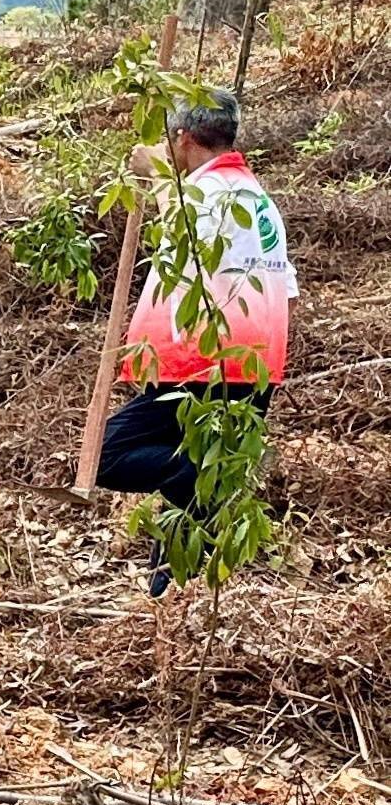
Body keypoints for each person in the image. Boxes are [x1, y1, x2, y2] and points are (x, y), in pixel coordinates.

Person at [97, 100, 295, 579]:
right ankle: (170, 595)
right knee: (193, 497)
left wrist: (159, 175)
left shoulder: (210, 192)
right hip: (254, 362)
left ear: (183, 137)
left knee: (108, 456)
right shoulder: (257, 198)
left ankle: (207, 478)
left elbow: (186, 238)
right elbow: (285, 286)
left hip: (206, 360)